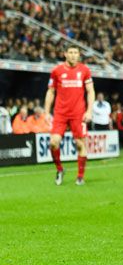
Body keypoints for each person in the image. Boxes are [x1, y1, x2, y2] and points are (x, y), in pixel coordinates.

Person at [44, 45, 95, 186]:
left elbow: (90, 91)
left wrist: (89, 111)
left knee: (80, 144)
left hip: (78, 114)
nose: (73, 55)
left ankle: (80, 177)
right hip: (60, 113)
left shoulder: (84, 70)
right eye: (70, 52)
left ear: (79, 55)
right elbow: (51, 91)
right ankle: (60, 170)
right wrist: (47, 112)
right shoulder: (57, 71)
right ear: (65, 54)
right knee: (53, 143)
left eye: (76, 53)